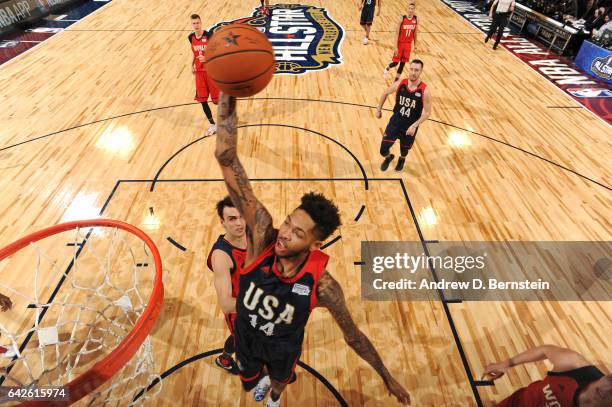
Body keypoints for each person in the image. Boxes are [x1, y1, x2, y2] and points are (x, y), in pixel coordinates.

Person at [214, 93, 411, 407]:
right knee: (250, 376)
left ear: (315, 245)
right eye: (289, 222)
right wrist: (228, 93)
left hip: (283, 348)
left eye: (297, 234)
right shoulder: (264, 234)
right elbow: (226, 157)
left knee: (278, 382)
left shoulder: (324, 286)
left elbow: (353, 336)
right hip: (248, 336)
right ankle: (262, 383)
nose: (285, 235)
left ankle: (275, 395)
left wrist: (386, 376)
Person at [483, 345, 611, 406]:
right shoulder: (573, 365)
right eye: (611, 381)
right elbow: (545, 350)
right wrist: (508, 363)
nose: (606, 390)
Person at [206, 196, 248, 374]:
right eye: (232, 219)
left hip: (255, 298)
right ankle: (225, 358)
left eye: (241, 217)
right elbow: (225, 304)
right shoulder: (221, 256)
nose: (239, 223)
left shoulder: (251, 233)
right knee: (240, 340)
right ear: (222, 222)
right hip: (240, 310)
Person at [376, 60, 432, 172]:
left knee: (404, 150)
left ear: (421, 71)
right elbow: (385, 92)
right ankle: (389, 157)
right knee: (383, 150)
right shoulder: (400, 84)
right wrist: (379, 109)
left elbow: (427, 112)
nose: (413, 72)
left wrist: (414, 125)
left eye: (416, 70)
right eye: (411, 69)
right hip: (395, 123)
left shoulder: (424, 91)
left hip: (409, 127)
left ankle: (402, 159)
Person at [189, 14, 219, 137]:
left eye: (197, 23)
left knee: (217, 101)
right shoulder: (190, 37)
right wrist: (191, 64)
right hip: (199, 74)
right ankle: (213, 125)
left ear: (201, 23)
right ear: (191, 24)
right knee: (202, 100)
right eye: (194, 23)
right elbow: (194, 53)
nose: (196, 25)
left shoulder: (208, 35)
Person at [383, 2, 417, 82]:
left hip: (408, 45)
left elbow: (415, 33)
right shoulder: (402, 18)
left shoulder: (416, 19)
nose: (410, 10)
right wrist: (395, 47)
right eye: (409, 8)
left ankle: (396, 80)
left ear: (414, 10)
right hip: (400, 44)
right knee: (395, 63)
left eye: (412, 9)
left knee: (402, 64)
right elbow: (396, 33)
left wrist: (415, 45)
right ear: (407, 9)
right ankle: (387, 68)